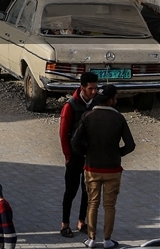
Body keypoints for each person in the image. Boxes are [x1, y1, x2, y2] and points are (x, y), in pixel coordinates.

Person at [71, 84, 136, 249]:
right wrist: (117, 154)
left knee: (92, 203)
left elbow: (75, 142)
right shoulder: (119, 118)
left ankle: (91, 239)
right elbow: (130, 145)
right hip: (113, 169)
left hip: (92, 168)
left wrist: (87, 153)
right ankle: (107, 240)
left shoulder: (87, 116)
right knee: (109, 206)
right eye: (116, 97)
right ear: (111, 100)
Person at [59, 72, 99, 238]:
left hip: (90, 156)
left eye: (96, 88)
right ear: (82, 88)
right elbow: (63, 133)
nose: (94, 92)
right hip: (75, 156)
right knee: (70, 191)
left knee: (87, 191)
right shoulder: (71, 106)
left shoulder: (97, 104)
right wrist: (68, 156)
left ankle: (82, 221)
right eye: (91, 89)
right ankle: (65, 224)